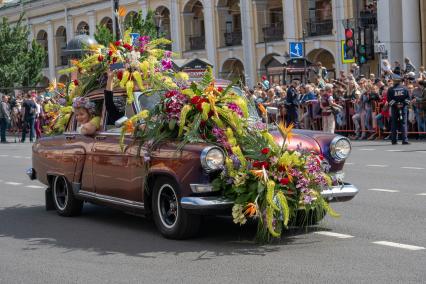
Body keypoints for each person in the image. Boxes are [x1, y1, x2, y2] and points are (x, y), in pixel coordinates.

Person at [387, 74, 410, 145]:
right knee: (403, 123)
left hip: (394, 108)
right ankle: (405, 140)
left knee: (394, 123)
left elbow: (389, 100)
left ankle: (394, 140)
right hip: (403, 108)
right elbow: (408, 99)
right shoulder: (405, 88)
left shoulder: (390, 89)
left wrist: (396, 104)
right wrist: (402, 104)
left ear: (394, 81)